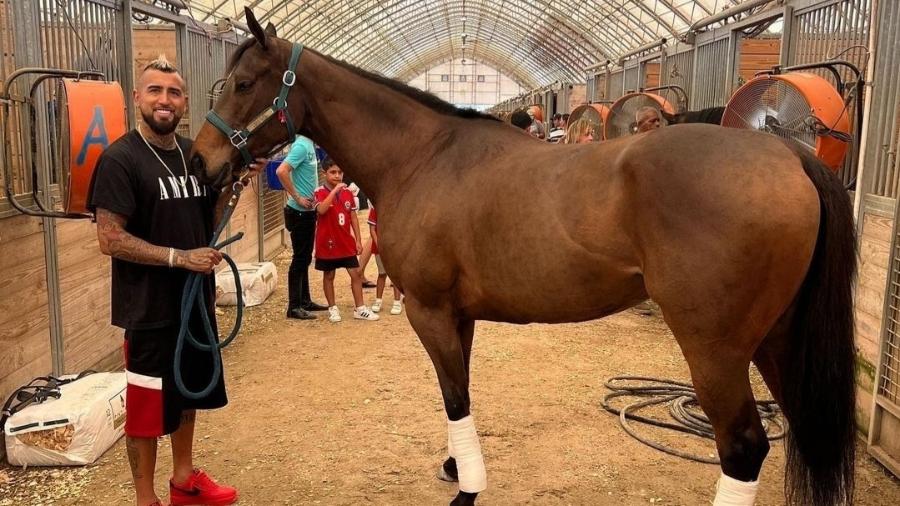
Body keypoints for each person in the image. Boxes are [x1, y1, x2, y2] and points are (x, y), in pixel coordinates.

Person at [88, 56, 265, 506]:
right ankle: (146, 498)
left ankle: (183, 480)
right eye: (155, 91)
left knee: (188, 394)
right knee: (147, 413)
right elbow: (110, 239)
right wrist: (179, 257)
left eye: (173, 93)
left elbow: (210, 211)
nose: (164, 101)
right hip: (147, 311)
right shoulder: (120, 159)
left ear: (185, 102)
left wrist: (238, 180)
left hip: (194, 305)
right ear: (136, 98)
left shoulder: (193, 155)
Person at [313, 158, 379, 323]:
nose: (337, 176)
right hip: (327, 243)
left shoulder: (349, 193)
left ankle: (360, 308)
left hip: (345, 242)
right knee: (329, 275)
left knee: (356, 274)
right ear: (324, 173)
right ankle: (332, 308)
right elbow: (321, 210)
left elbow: (353, 217)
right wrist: (334, 191)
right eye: (333, 172)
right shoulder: (319, 192)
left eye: (340, 172)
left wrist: (357, 239)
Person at [276, 135, 328, 320]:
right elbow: (281, 171)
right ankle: (294, 306)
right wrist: (297, 197)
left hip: (306, 212)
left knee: (305, 257)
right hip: (298, 211)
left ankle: (304, 301)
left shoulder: (308, 144)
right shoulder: (300, 145)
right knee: (299, 258)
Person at [367, 205, 403, 315]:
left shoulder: (398, 208)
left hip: (394, 246)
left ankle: (397, 301)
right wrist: (379, 244)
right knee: (382, 273)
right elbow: (372, 229)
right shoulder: (375, 207)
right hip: (380, 248)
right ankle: (378, 300)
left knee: (395, 275)